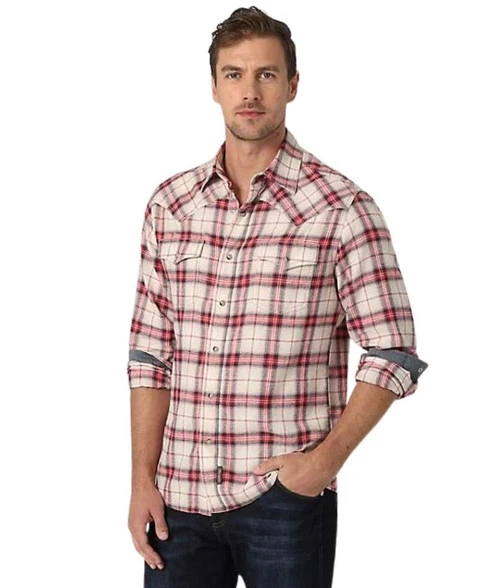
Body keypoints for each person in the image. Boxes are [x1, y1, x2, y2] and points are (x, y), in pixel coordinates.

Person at [126, 6, 428, 587]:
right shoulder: (171, 205)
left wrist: (320, 466)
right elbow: (149, 357)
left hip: (283, 501)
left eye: (266, 74)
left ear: (292, 85)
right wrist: (142, 479)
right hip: (177, 499)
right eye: (234, 74)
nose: (250, 91)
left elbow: (393, 352)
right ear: (214, 86)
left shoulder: (341, 207)